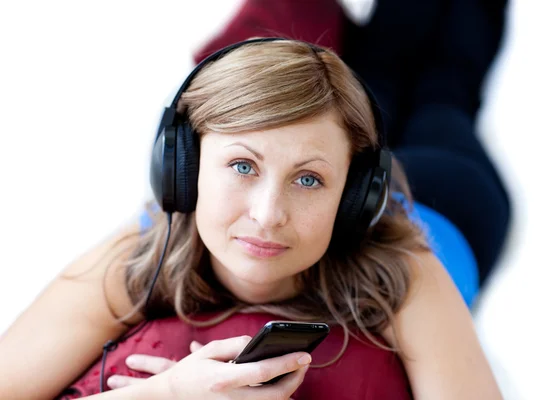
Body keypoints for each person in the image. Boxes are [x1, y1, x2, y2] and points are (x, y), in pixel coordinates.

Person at [0, 38, 502, 399]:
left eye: (308, 180)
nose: (267, 216)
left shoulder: (404, 270)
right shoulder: (135, 258)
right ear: (184, 169)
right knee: (384, 61)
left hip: (451, 199)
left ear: (354, 195)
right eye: (243, 166)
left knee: (447, 89)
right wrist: (168, 393)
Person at [192, 0, 512, 294]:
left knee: (394, 77)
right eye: (243, 167)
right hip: (448, 200)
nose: (266, 216)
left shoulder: (156, 236)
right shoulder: (409, 289)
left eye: (242, 166)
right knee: (440, 92)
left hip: (383, 178)